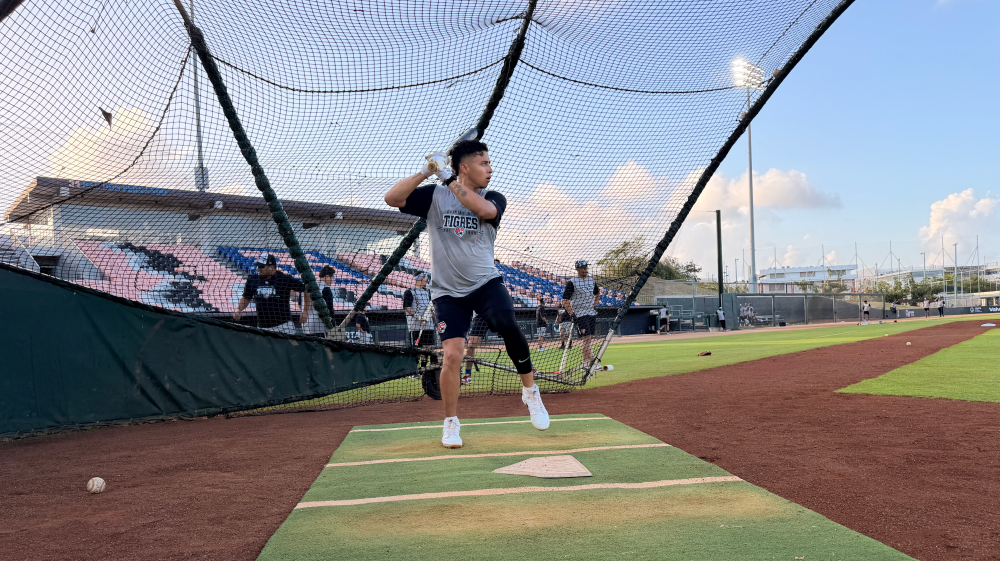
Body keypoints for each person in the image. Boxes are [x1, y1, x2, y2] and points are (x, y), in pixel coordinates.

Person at [385, 138, 548, 449]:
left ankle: (530, 392)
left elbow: (485, 210)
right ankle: (451, 422)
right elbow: (392, 198)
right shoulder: (435, 196)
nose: (490, 168)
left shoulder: (493, 196)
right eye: (484, 163)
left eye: (489, 162)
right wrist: (425, 171)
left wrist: (446, 178)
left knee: (506, 323)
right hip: (447, 292)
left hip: (485, 282)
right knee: (452, 356)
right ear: (465, 167)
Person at [234, 252, 310, 334]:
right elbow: (246, 297)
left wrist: (305, 311)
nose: (258, 269)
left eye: (261, 266)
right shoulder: (252, 279)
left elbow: (306, 289)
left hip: (284, 326)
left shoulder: (284, 279)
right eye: (258, 266)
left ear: (272, 268)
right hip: (262, 327)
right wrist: (239, 309)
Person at [561, 259, 600, 370]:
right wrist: (572, 314)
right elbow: (565, 300)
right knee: (587, 339)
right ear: (577, 269)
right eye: (583, 268)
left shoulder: (591, 281)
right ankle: (593, 363)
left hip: (590, 312)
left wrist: (595, 305)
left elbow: (597, 295)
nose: (585, 269)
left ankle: (585, 363)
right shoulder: (572, 282)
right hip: (580, 313)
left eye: (586, 267)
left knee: (588, 339)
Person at [403, 272, 435, 359]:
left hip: (428, 325)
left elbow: (430, 308)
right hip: (416, 327)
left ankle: (425, 370)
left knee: (428, 348)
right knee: (418, 350)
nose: (427, 279)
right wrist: (418, 316)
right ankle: (416, 369)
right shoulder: (410, 291)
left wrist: (432, 317)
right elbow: (407, 307)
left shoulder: (427, 292)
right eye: (425, 277)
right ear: (421, 278)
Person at [304, 265, 336, 336]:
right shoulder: (326, 289)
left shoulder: (307, 287)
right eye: (332, 277)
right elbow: (329, 310)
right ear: (327, 276)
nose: (332, 280)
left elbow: (300, 305)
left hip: (306, 327)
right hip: (320, 328)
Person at [462, 313, 489, 386]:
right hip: (481, 315)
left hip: (498, 312)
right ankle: (468, 375)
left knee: (511, 339)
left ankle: (521, 369)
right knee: (471, 345)